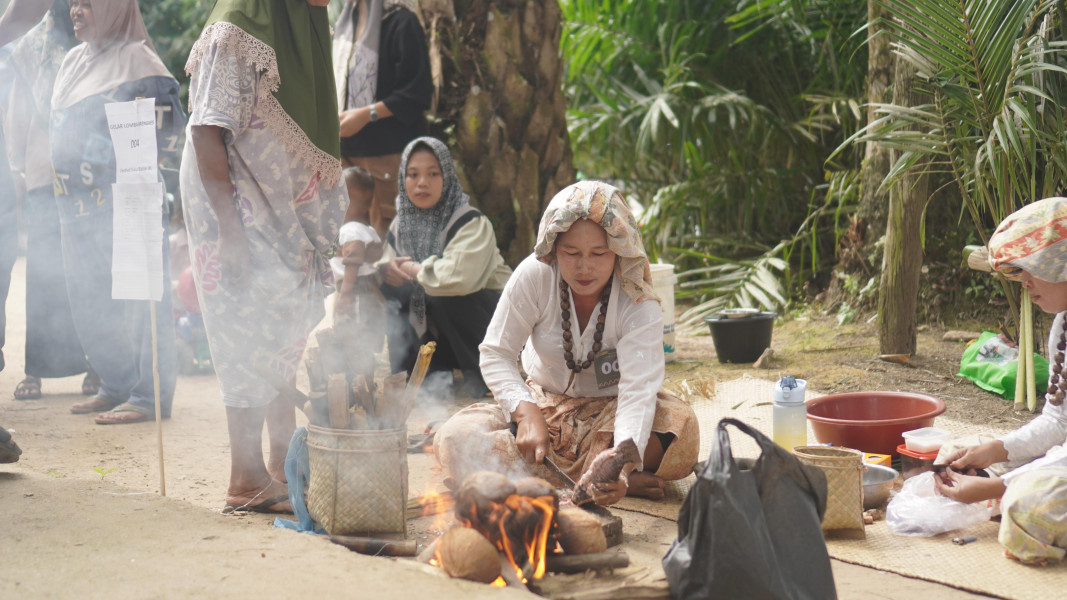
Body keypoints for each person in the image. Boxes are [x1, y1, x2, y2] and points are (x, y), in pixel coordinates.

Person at [434, 181, 700, 505]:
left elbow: (637, 392)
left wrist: (620, 462)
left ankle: (607, 476)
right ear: (553, 247)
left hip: (611, 415)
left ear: (618, 250)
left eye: (599, 254)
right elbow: (495, 353)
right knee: (454, 438)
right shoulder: (534, 275)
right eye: (571, 253)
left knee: (681, 429)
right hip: (542, 409)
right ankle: (595, 481)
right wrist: (525, 412)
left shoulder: (638, 299)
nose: (584, 267)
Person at [181, 0, 346, 513]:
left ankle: (281, 462)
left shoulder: (305, 26)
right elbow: (207, 129)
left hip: (283, 214)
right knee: (245, 331)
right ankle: (245, 477)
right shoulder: (238, 25)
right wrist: (230, 232)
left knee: (284, 328)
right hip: (234, 209)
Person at [50, 0, 183, 424]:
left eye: (87, 3)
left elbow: (167, 134)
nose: (76, 10)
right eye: (73, 2)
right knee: (88, 299)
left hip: (129, 205)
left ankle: (149, 396)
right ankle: (116, 382)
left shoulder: (138, 61)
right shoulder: (73, 61)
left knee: (142, 299)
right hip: (74, 207)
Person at [935, 196, 1067, 565]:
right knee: (960, 452)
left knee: (1027, 509)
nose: (1024, 283)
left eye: (1030, 269)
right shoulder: (1064, 325)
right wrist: (995, 450)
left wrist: (996, 486)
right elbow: (1059, 422)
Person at [5, 1, 97, 401]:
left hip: (87, 175)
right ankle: (35, 371)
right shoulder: (29, 47)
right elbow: (17, 114)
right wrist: (17, 170)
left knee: (87, 273)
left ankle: (96, 364)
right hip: (42, 173)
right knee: (43, 275)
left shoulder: (96, 43)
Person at [378, 136, 511, 398]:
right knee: (393, 288)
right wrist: (387, 270)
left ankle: (484, 374)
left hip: (485, 329)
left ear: (447, 177)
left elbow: (456, 280)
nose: (422, 183)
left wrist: (413, 270)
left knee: (446, 297)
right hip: (442, 334)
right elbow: (385, 263)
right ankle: (422, 373)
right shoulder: (401, 225)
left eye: (433, 174)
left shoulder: (470, 222)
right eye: (413, 175)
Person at [333, 0, 432, 236]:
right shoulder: (345, 22)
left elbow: (416, 93)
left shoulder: (401, 22)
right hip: (344, 155)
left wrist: (367, 114)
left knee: (385, 241)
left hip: (385, 160)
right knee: (350, 243)